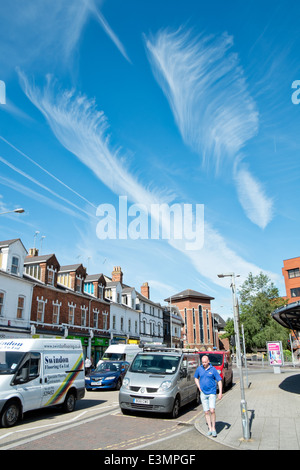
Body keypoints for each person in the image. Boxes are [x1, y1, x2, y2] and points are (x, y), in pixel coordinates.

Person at [194, 354, 222, 437]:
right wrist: (199, 387)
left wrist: (220, 392)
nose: (204, 364)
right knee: (206, 412)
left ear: (208, 361)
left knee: (212, 410)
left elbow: (219, 381)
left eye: (205, 362)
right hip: (203, 393)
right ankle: (209, 428)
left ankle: (214, 428)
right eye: (203, 362)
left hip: (212, 393)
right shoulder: (199, 369)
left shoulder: (213, 370)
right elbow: (196, 378)